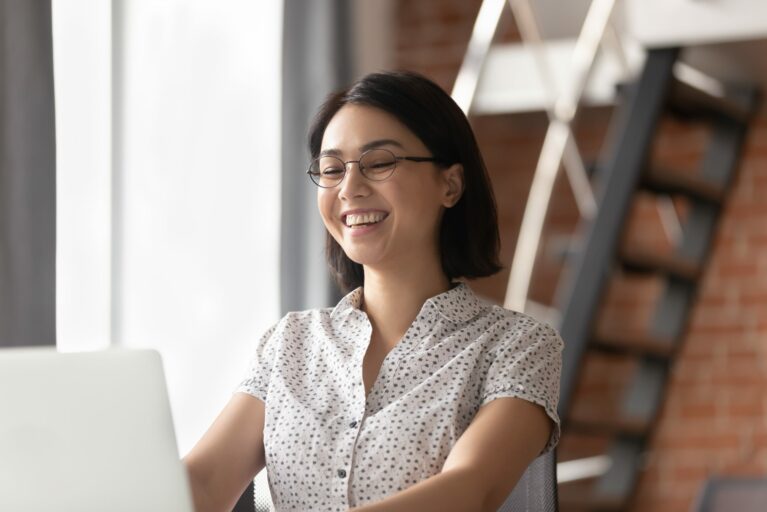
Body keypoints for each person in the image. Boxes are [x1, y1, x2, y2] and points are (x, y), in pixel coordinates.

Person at [183, 71, 563, 512]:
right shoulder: (290, 343)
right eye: (332, 170)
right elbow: (205, 481)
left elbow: (469, 490)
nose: (349, 188)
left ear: (450, 184)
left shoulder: (518, 346)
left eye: (379, 163)